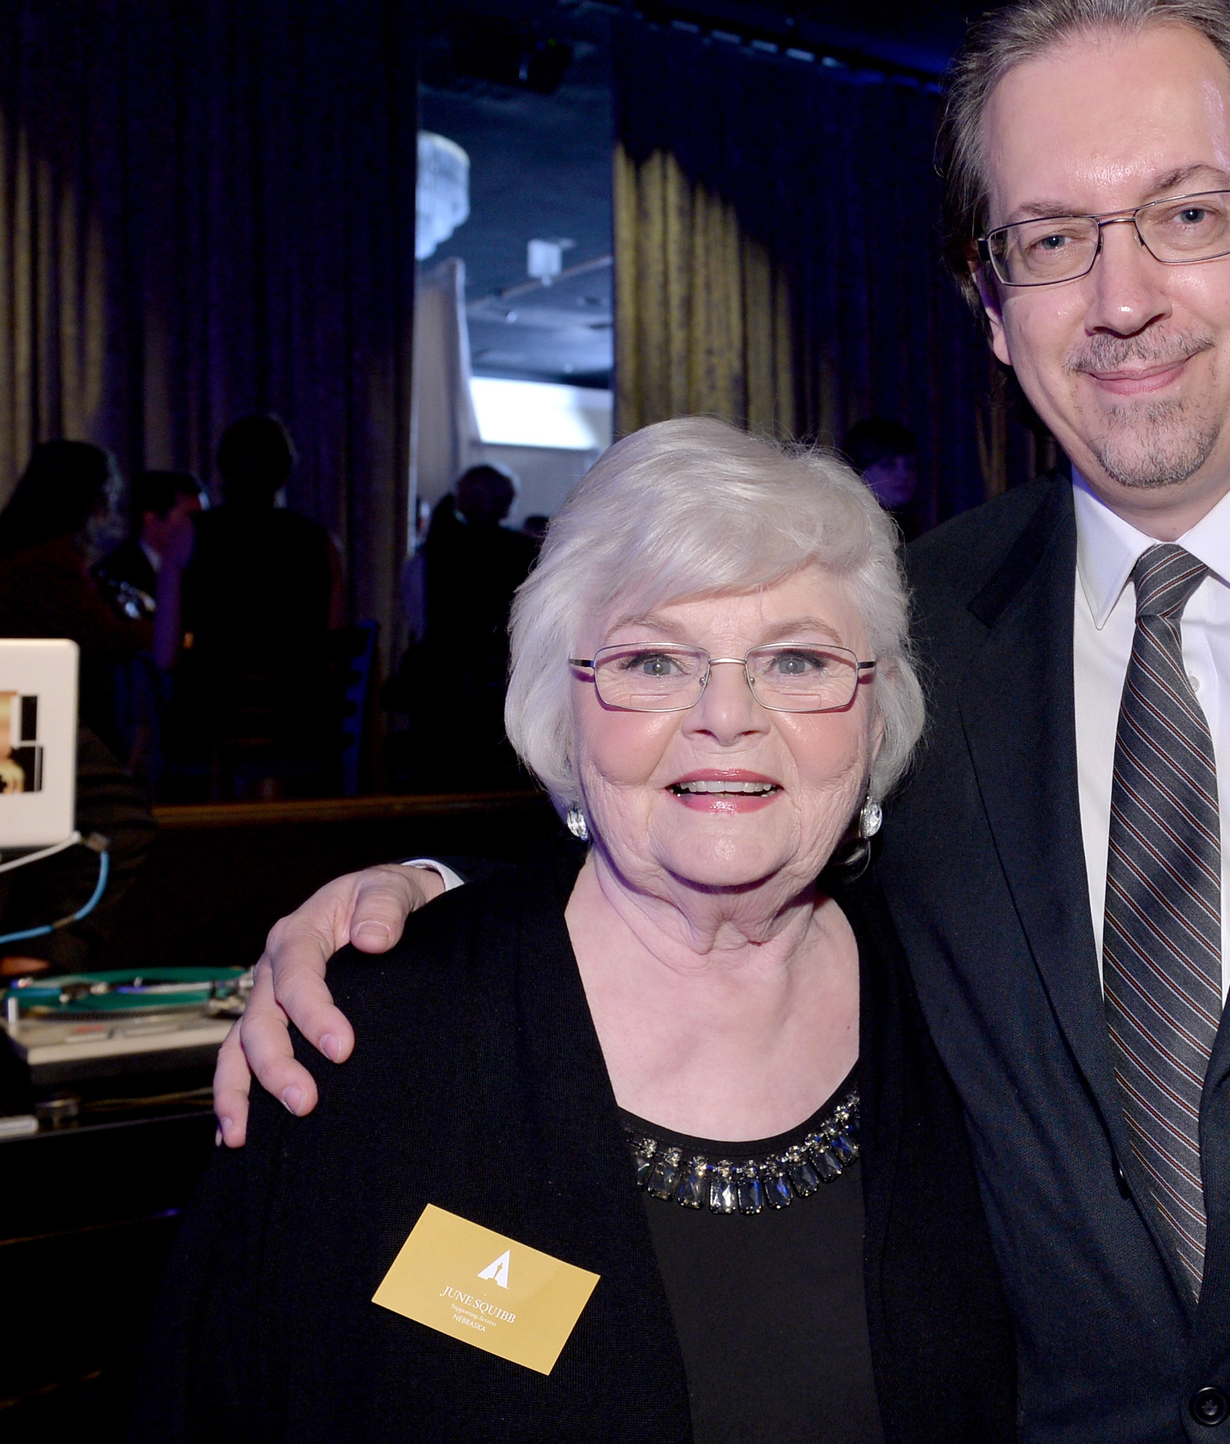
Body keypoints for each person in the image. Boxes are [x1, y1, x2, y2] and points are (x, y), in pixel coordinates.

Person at [217, 0, 1230, 1442]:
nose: (1121, 300)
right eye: (1052, 240)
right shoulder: (916, 635)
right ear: (991, 308)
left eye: (1185, 214)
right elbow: (721, 846)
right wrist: (427, 919)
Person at [137, 418, 1013, 1440]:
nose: (724, 714)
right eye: (652, 662)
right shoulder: (362, 1035)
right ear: (564, 706)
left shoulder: (966, 1000)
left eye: (795, 661)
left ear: (876, 713)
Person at [173, 415, 346, 796]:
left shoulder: (191, 534)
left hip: (211, 729)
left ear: (222, 469)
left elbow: (165, 649)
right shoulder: (321, 543)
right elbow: (333, 646)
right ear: (285, 473)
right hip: (301, 723)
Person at [0, 441, 186, 752]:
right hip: (38, 709)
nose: (108, 508)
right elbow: (102, 634)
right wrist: (172, 632)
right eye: (106, 495)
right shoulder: (51, 557)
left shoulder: (22, 547)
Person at [397, 464, 541, 790]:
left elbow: (418, 621)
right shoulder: (525, 554)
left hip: (439, 689)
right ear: (507, 503)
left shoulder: (430, 555)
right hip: (502, 690)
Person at [96, 469, 205, 614]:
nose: (200, 527)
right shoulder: (112, 574)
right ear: (151, 517)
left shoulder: (206, 570)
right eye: (191, 518)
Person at [841, 418, 922, 542]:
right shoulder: (846, 532)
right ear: (859, 470)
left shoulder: (914, 529)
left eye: (910, 465)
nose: (904, 474)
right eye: (888, 465)